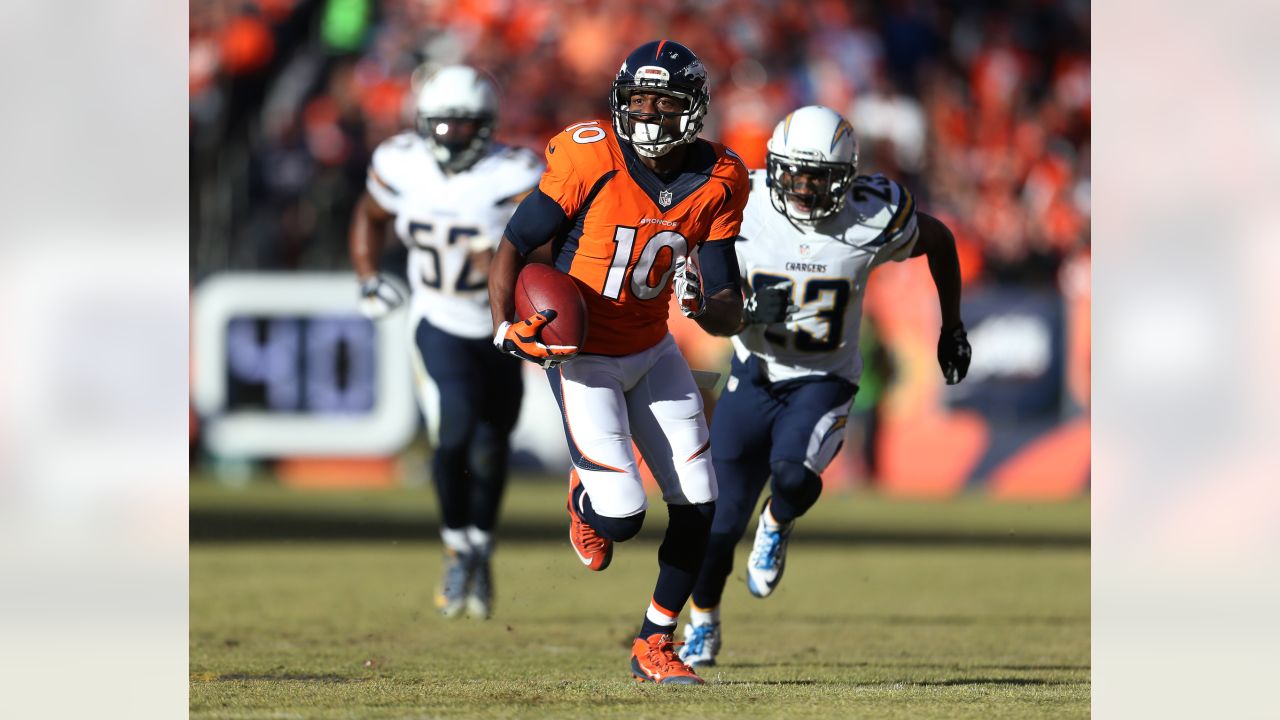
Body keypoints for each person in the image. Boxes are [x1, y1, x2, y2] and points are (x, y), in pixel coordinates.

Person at [487, 40, 749, 684]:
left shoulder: (721, 178)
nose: (649, 116)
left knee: (700, 501)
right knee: (623, 518)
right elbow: (516, 243)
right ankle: (585, 498)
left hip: (654, 347)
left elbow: (728, 305)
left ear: (692, 109)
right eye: (638, 101)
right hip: (584, 357)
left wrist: (703, 304)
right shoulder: (591, 155)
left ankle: (655, 643)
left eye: (664, 104)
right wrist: (503, 327)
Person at [676, 105, 972, 667]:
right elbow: (699, 288)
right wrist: (734, 308)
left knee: (792, 476)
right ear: (774, 168)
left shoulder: (872, 215)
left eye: (818, 177)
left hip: (824, 381)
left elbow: (940, 240)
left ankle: (778, 520)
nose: (805, 188)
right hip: (753, 373)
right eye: (795, 174)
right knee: (718, 520)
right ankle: (704, 623)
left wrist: (951, 325)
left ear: (847, 177)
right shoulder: (743, 203)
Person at [349, 65, 544, 620]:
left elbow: (557, 250)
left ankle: (480, 546)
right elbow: (368, 215)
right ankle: (457, 545)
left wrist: (512, 262)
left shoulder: (516, 172)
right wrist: (367, 276)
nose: (451, 136)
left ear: (485, 126)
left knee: (492, 447)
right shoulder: (400, 164)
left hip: (503, 330)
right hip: (438, 322)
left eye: (463, 126)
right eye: (441, 125)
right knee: (454, 430)